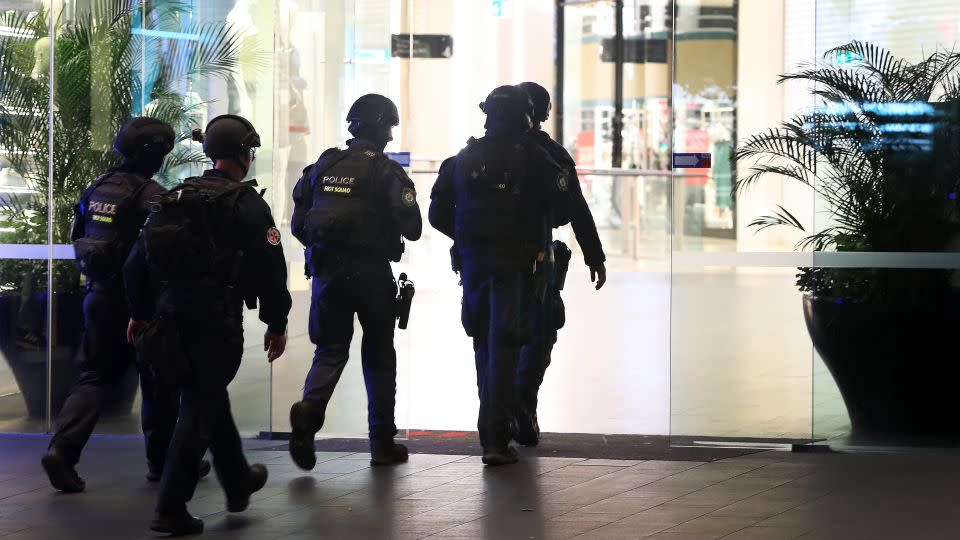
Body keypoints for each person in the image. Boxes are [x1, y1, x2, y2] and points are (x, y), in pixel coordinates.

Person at [124, 114, 292, 535]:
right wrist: (277, 322)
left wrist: (139, 312)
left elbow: (135, 263)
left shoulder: (174, 197)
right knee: (199, 407)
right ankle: (170, 507)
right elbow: (272, 269)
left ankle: (238, 483)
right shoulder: (245, 203)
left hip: (168, 321)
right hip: (216, 324)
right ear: (243, 153)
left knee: (207, 398)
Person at [41, 118, 210, 493]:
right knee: (158, 380)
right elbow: (162, 254)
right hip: (139, 306)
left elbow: (79, 233)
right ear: (156, 153)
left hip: (97, 297)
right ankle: (161, 461)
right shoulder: (151, 195)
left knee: (93, 378)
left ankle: (62, 451)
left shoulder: (99, 186)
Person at [429, 86, 571, 466]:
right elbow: (565, 210)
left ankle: (495, 431)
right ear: (530, 116)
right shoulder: (537, 157)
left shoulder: (464, 157)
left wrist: (471, 237)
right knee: (511, 347)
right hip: (522, 270)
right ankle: (501, 432)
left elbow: (438, 215)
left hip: (475, 267)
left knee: (485, 348)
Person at [289, 94, 422, 470]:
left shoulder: (322, 166)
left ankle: (310, 409)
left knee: (330, 350)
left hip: (327, 273)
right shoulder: (385, 171)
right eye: (390, 129)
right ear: (380, 128)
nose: (391, 138)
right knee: (379, 353)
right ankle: (382, 444)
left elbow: (300, 225)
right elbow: (413, 228)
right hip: (371, 274)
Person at [514, 81, 607, 447]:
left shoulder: (478, 153)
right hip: (534, 261)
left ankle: (496, 422)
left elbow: (444, 212)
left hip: (484, 265)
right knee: (540, 333)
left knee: (491, 342)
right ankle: (522, 405)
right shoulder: (548, 154)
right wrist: (594, 255)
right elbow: (574, 208)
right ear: (540, 113)